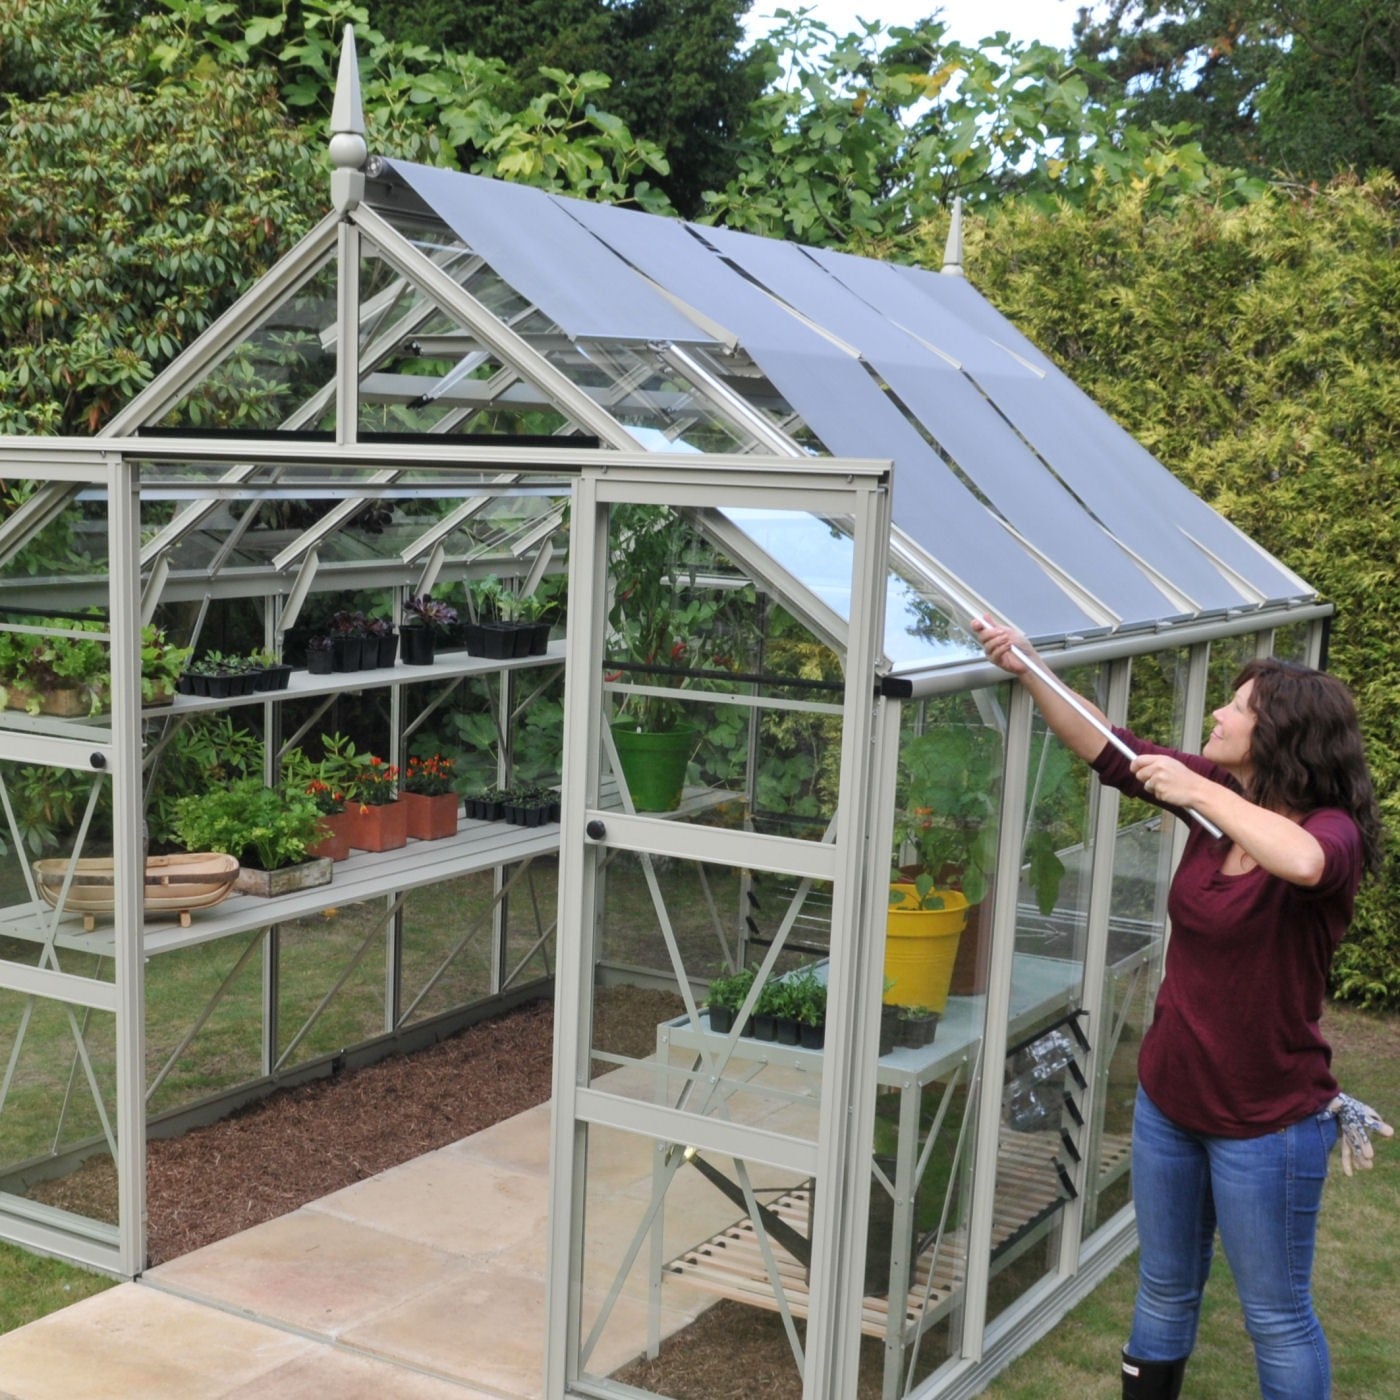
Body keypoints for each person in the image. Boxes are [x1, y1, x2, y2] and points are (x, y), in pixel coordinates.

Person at [971, 617, 1390, 1400]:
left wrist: (1197, 787)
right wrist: (1029, 663)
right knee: (1163, 1291)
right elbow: (1107, 745)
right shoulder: (1220, 803)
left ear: (1281, 736)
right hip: (1171, 1103)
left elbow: (1301, 861)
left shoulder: (1326, 833)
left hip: (1266, 1124)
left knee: (1276, 1317)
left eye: (1237, 710)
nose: (1219, 719)